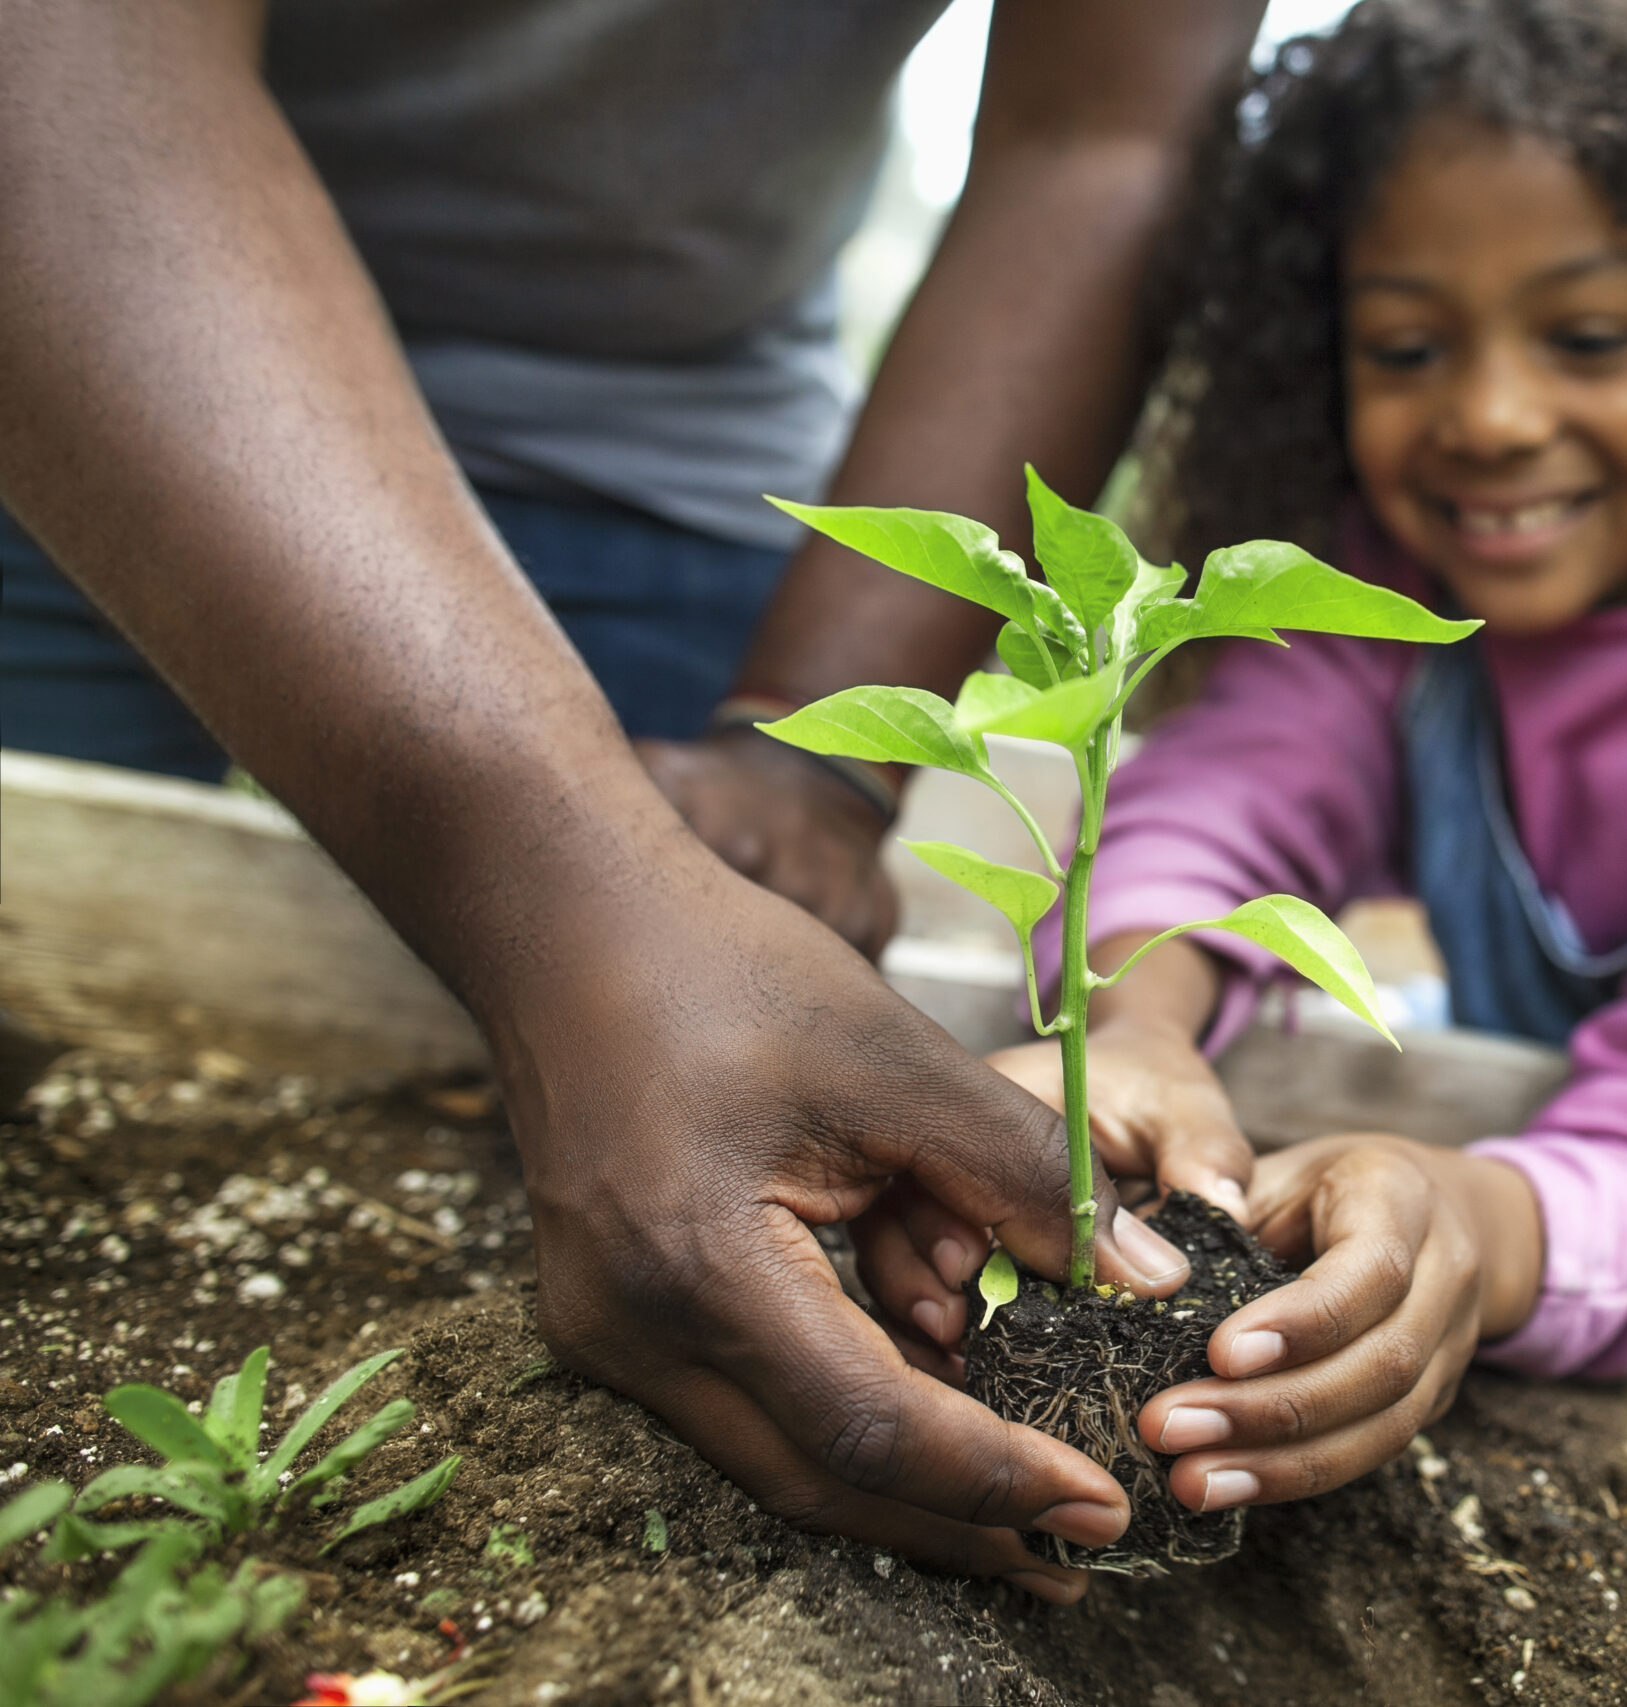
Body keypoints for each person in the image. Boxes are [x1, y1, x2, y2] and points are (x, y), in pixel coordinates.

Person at [0, 0, 1273, 1603]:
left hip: (668, 454)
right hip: (90, 331)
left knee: (741, 1066)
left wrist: (807, 757)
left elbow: (1102, 135)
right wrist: (571, 895)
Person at [858, 0, 1627, 1516]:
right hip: (1530, 1100)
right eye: (1405, 346)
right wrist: (1131, 1028)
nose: (1493, 417)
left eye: (1588, 337)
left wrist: (1475, 1223)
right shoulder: (1389, 585)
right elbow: (1225, 800)